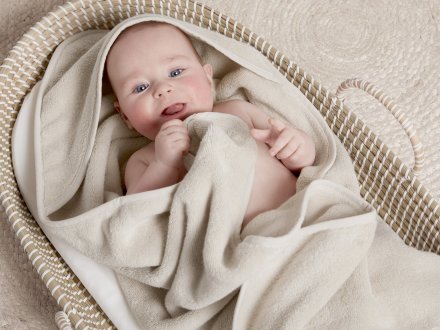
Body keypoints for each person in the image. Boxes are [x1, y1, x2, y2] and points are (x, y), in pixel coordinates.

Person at [105, 22, 316, 227]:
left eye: (176, 72)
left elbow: (303, 163)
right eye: (140, 87)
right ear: (125, 116)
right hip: (245, 245)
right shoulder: (144, 160)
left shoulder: (238, 111)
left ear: (207, 77)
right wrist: (164, 166)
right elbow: (135, 215)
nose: (163, 88)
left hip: (302, 212)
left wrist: (294, 147)